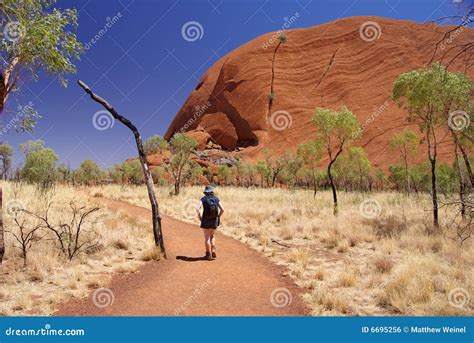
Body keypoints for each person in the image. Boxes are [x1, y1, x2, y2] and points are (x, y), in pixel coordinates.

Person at [197, 185, 224, 260]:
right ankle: (213, 250)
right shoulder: (216, 199)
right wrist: (218, 216)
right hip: (214, 220)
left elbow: (197, 209)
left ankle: (208, 255)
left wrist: (200, 217)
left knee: (207, 238)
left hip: (205, 220)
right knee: (212, 236)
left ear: (205, 192)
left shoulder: (203, 199)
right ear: (212, 191)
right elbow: (223, 209)